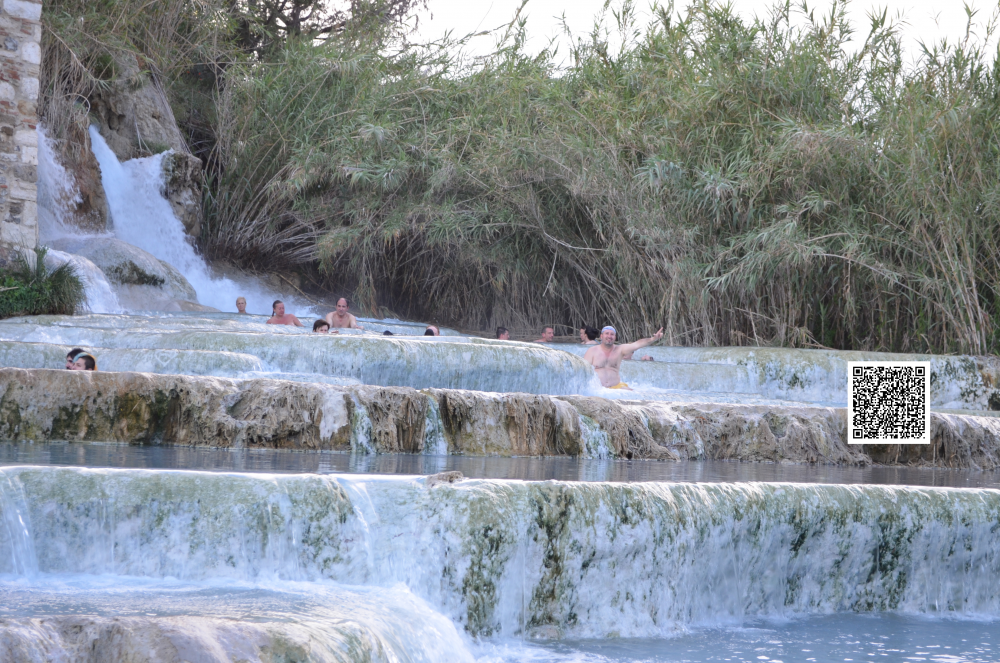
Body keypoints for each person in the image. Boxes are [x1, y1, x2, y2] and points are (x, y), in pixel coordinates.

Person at [583, 325, 663, 389]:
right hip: (598, 389)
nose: (609, 336)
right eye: (606, 333)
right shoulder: (592, 351)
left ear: (615, 337)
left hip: (616, 388)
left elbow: (637, 344)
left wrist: (653, 339)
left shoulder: (619, 350)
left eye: (612, 334)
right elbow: (583, 371)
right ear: (601, 336)